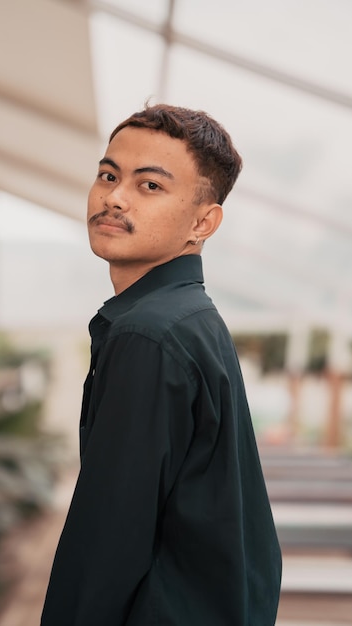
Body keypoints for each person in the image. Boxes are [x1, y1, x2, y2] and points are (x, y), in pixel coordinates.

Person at [41, 104, 282, 625]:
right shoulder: (190, 318)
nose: (114, 197)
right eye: (108, 174)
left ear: (203, 221)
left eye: (150, 186)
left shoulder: (149, 335)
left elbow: (106, 542)